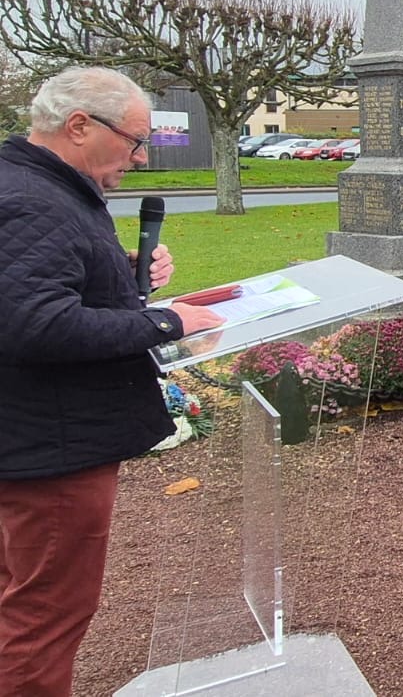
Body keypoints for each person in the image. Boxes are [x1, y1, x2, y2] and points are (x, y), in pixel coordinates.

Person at [0, 67, 223, 697]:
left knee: (26, 596)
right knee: (46, 613)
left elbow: (34, 284)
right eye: (133, 140)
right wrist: (163, 320)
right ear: (78, 127)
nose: (141, 156)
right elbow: (35, 326)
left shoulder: (40, 187)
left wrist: (116, 269)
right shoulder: (29, 199)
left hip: (39, 437)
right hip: (52, 446)